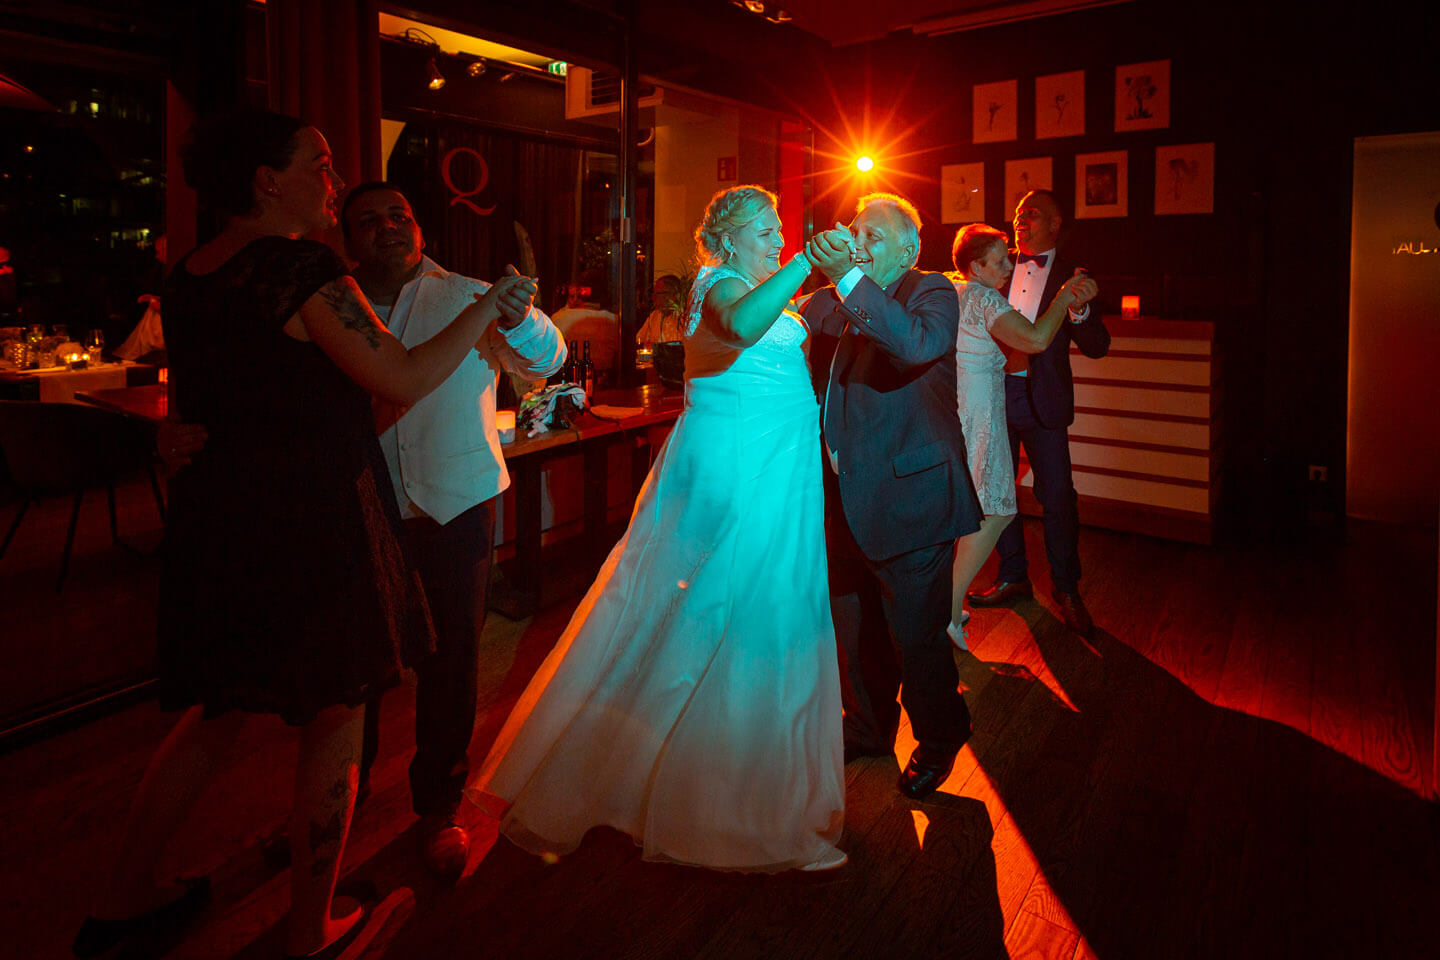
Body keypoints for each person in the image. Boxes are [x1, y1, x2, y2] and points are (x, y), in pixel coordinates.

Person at [76, 108, 528, 960]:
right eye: (318, 165)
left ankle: (122, 900)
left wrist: (173, 438)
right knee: (335, 711)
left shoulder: (192, 274)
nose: (332, 179)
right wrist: (487, 309)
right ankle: (309, 927)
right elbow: (401, 371)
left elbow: (208, 398)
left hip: (221, 519)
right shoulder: (302, 269)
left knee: (215, 710)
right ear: (266, 181)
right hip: (312, 518)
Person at [470, 185, 846, 873]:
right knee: (725, 605)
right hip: (740, 468)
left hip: (777, 465)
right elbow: (739, 330)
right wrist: (805, 267)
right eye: (765, 228)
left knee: (754, 603)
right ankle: (710, 796)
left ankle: (732, 768)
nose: (779, 238)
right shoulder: (717, 283)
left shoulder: (756, 283)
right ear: (726, 238)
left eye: (780, 230)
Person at [340, 181, 565, 878]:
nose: (387, 228)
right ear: (348, 238)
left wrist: (523, 317)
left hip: (458, 506)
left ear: (421, 231)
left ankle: (438, 807)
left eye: (398, 216)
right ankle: (338, 806)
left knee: (453, 662)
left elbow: (546, 362)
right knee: (357, 669)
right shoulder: (330, 306)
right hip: (361, 510)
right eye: (369, 220)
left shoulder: (471, 295)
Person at [802, 193, 981, 801]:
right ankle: (873, 729)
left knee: (916, 635)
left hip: (914, 497)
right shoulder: (842, 298)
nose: (857, 242)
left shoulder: (930, 291)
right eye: (853, 232)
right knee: (857, 634)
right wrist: (830, 272)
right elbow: (804, 315)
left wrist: (849, 275)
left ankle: (941, 734)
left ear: (908, 248)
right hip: (847, 500)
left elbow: (910, 346)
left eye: (872, 236)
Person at [966, 190, 1110, 639]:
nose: (1020, 219)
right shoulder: (995, 265)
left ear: (1055, 222)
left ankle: (1066, 588)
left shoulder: (1073, 276)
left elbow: (1098, 346)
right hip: (994, 393)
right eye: (1016, 214)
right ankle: (1012, 575)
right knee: (996, 492)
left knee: (1057, 496)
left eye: (1031, 213)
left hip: (1042, 398)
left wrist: (1080, 308)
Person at [551, 270, 619, 384]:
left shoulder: (558, 318)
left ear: (580, 293)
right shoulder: (614, 321)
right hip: (607, 386)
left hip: (565, 384)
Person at [635, 273, 686, 346]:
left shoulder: (685, 319)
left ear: (673, 295)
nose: (653, 298)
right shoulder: (654, 316)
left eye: (658, 294)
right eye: (654, 294)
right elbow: (639, 341)